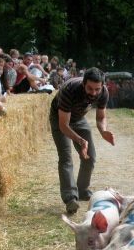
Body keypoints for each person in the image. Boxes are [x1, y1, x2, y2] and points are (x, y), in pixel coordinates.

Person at [49, 67, 114, 214]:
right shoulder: (70, 89)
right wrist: (80, 141)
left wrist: (103, 130)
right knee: (66, 158)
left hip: (78, 118)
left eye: (97, 89)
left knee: (90, 157)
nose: (94, 93)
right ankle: (70, 198)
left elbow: (101, 117)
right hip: (60, 119)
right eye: (90, 89)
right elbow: (64, 126)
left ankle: (82, 189)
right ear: (83, 84)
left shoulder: (103, 92)